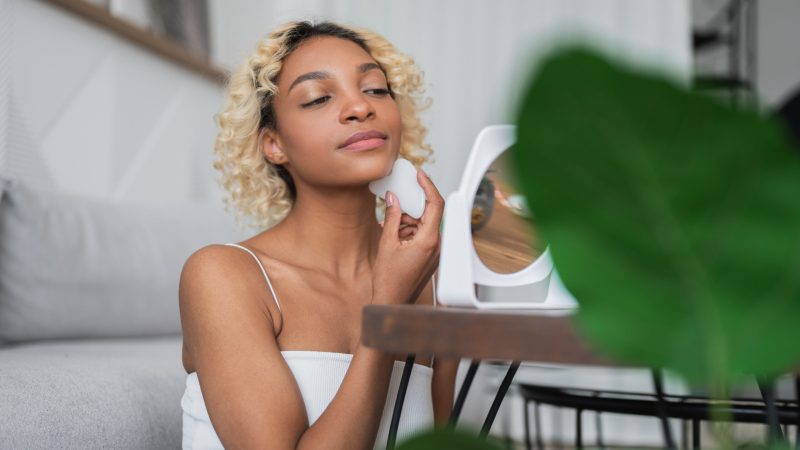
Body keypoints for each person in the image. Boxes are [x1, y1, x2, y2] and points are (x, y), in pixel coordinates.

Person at [178, 19, 459, 450]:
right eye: (318, 98)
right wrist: (386, 312)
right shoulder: (222, 277)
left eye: (376, 89)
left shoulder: (437, 282)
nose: (360, 107)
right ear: (275, 144)